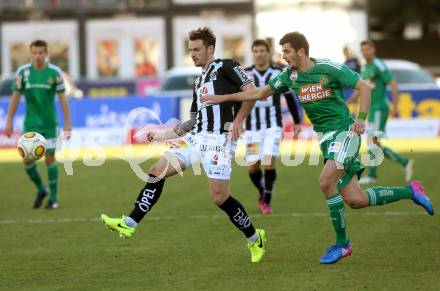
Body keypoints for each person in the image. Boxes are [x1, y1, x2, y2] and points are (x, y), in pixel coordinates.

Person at [202, 31, 434, 264]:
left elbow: (364, 87)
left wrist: (361, 118)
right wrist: (225, 98)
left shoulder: (329, 69)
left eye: (287, 51)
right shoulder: (290, 76)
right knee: (356, 199)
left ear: (301, 51)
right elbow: (261, 92)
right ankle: (411, 191)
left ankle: (342, 245)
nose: (283, 56)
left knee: (325, 181)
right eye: (282, 52)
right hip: (326, 139)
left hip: (345, 132)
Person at [101, 27, 266, 263]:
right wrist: (162, 135)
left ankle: (254, 237)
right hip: (196, 137)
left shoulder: (228, 66)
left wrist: (239, 120)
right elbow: (193, 120)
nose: (193, 54)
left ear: (211, 48)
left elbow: (252, 93)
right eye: (190, 50)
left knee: (219, 197)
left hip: (220, 139)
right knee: (157, 171)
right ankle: (129, 223)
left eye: (197, 49)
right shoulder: (198, 81)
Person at [5, 39, 72, 209]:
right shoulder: (23, 72)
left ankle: (53, 199)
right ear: (30, 53)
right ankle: (41, 189)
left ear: (46, 53)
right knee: (27, 161)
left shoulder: (54, 73)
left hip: (49, 124)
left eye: (41, 52)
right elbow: (15, 97)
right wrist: (9, 120)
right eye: (34, 52)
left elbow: (63, 99)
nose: (37, 56)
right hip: (31, 124)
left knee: (49, 159)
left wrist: (67, 124)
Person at [244, 39, 301, 214]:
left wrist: (297, 121)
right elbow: (237, 100)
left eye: (262, 50)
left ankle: (266, 201)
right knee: (253, 166)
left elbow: (290, 97)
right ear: (253, 53)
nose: (259, 54)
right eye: (256, 51)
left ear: (268, 53)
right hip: (252, 127)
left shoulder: (278, 72)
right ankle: (263, 191)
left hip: (273, 125)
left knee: (268, 161)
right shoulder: (245, 74)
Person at [347, 40, 413, 184]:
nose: (364, 52)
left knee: (372, 140)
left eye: (367, 49)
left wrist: (395, 106)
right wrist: (347, 102)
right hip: (372, 109)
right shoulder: (366, 68)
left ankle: (372, 175)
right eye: (362, 50)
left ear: (373, 50)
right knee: (374, 142)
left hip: (380, 108)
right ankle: (403, 162)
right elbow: (361, 90)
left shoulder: (378, 64)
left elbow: (392, 83)